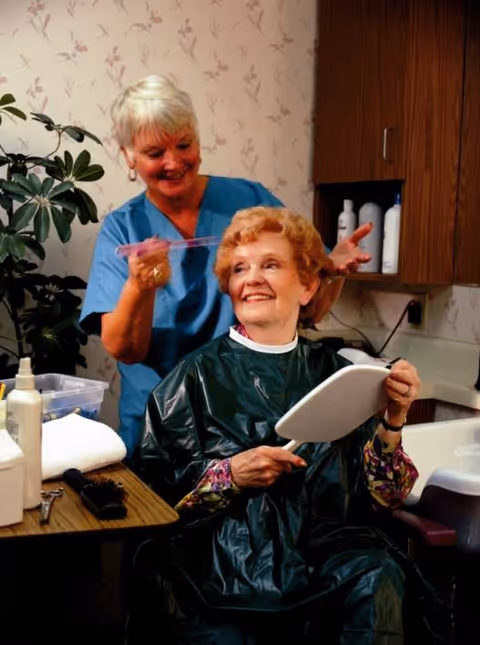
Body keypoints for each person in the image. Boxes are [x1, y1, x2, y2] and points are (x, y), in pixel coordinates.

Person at [137, 207, 447, 645]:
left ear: (308, 285)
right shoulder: (191, 379)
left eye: (271, 264)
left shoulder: (342, 376)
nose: (252, 278)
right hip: (225, 566)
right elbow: (154, 499)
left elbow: (387, 496)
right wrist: (230, 475)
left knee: (378, 579)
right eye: (240, 268)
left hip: (328, 560)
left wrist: (393, 421)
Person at [80, 74, 373, 457]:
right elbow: (125, 348)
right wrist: (141, 284)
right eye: (154, 153)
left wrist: (329, 271)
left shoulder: (250, 199)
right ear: (129, 156)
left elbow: (305, 303)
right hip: (161, 424)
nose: (173, 162)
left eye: (184, 145)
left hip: (248, 418)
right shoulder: (124, 228)